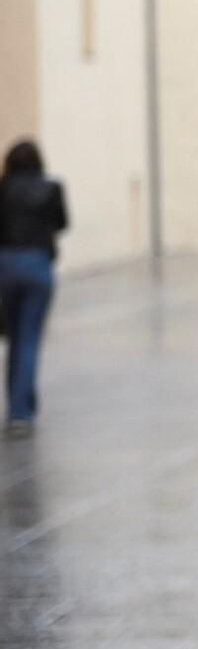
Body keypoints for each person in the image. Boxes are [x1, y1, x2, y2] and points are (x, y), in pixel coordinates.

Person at [0, 139, 69, 439]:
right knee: (29, 337)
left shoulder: (2, 189)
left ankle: (18, 403)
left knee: (14, 337)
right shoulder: (51, 188)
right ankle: (21, 411)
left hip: (6, 264)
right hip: (38, 265)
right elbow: (62, 223)